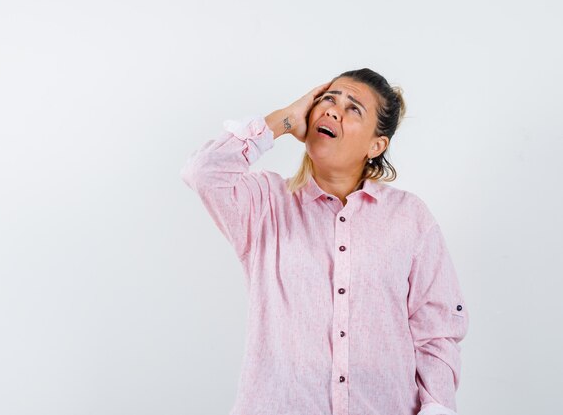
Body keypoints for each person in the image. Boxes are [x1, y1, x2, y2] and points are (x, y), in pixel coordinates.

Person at [180, 68, 469, 415]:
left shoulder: (410, 218)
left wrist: (437, 407)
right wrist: (283, 120)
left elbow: (437, 330)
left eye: (353, 109)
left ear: (376, 146)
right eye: (328, 100)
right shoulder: (266, 203)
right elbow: (203, 172)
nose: (333, 110)